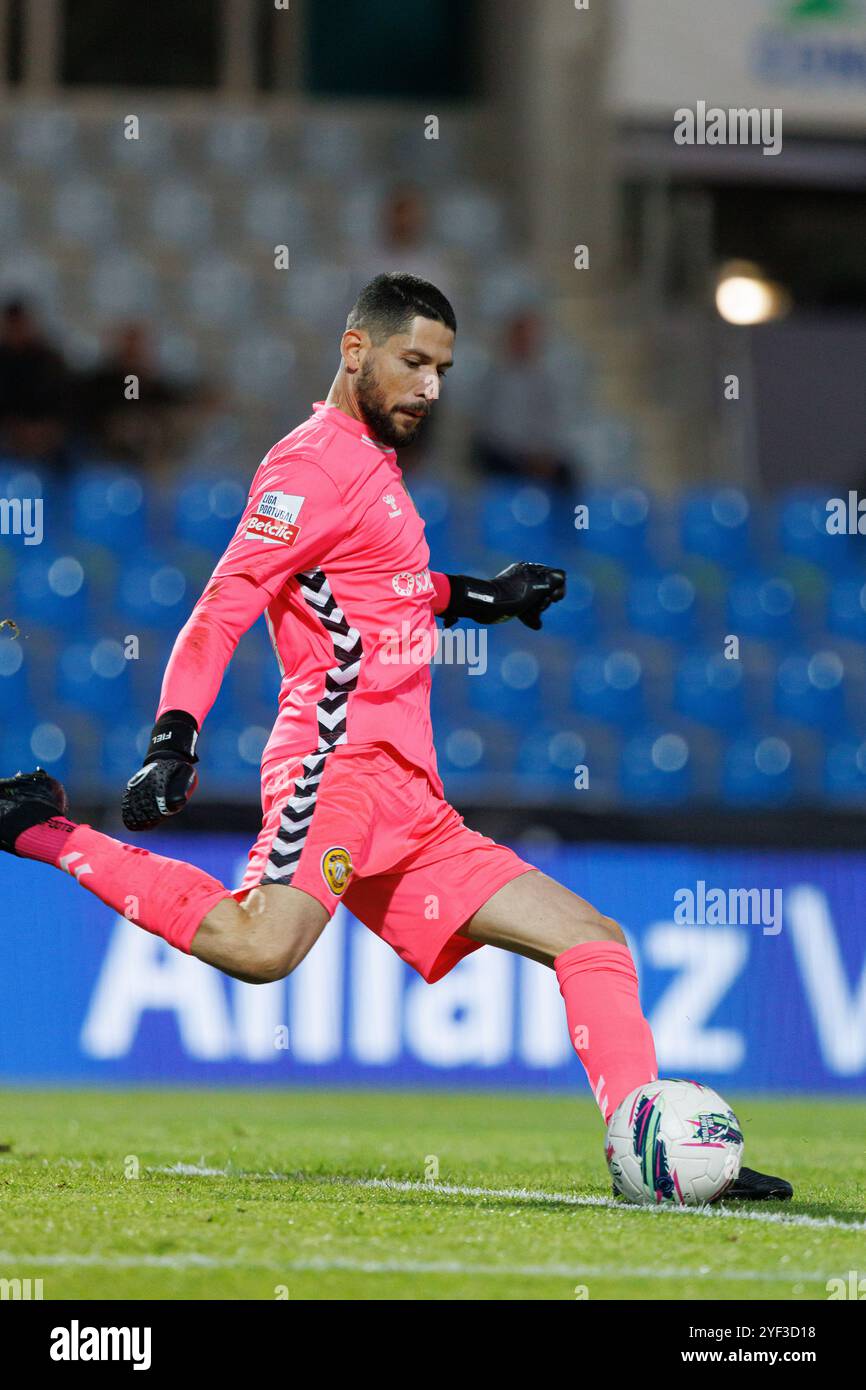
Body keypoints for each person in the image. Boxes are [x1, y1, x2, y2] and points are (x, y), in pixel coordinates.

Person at [0, 273, 790, 1202]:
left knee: (596, 940)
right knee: (261, 950)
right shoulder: (306, 468)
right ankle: (37, 826)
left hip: (410, 794)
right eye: (414, 362)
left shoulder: (376, 470)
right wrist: (175, 737)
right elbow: (222, 609)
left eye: (444, 370)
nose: (431, 387)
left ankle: (648, 1154)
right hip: (335, 764)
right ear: (355, 350)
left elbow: (386, 590)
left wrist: (482, 597)